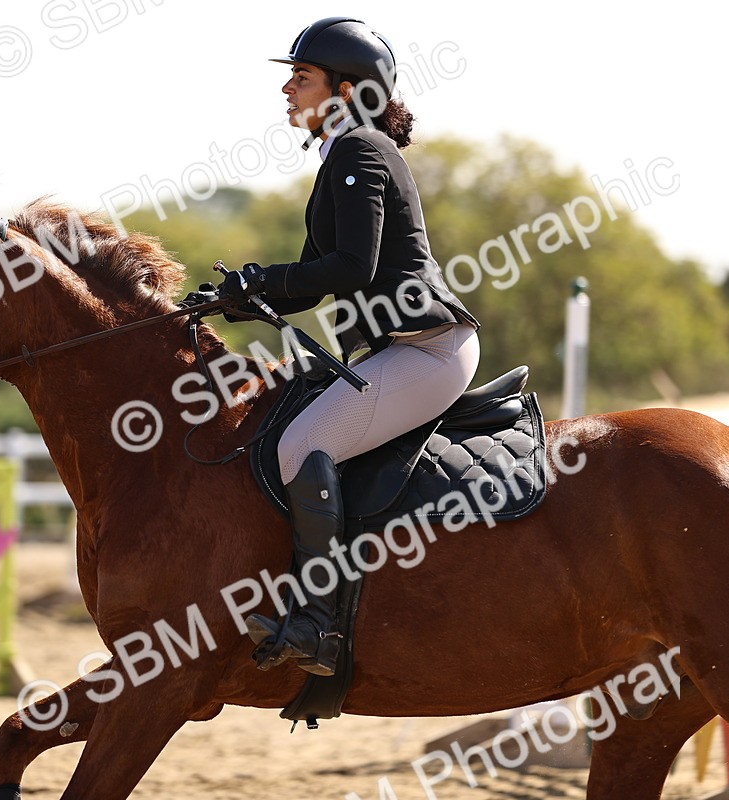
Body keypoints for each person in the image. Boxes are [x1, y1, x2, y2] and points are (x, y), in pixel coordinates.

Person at [216, 17, 481, 676]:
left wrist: (264, 280)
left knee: (301, 447)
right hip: (405, 350)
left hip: (427, 350)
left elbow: (352, 269)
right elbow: (312, 281)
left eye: (300, 77)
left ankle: (315, 625)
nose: (287, 87)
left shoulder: (359, 149)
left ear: (343, 90)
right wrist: (241, 297)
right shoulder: (343, 150)